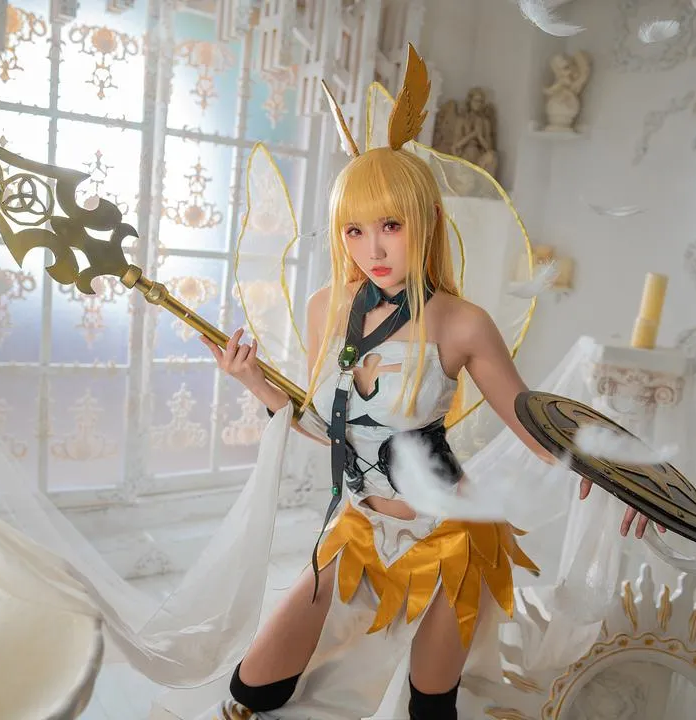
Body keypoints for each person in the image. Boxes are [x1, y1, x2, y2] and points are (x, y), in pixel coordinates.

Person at [199, 45, 661, 720]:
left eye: (390, 225)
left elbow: (532, 426)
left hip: (449, 533)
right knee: (251, 690)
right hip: (357, 526)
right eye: (354, 230)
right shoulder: (328, 306)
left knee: (429, 707)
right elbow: (330, 426)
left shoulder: (462, 323)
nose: (373, 249)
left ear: (427, 221)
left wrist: (622, 472)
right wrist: (253, 383)